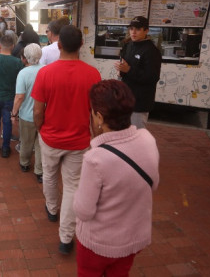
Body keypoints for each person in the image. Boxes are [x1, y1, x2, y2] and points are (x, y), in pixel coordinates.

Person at [73, 80, 160, 275]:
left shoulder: (95, 158)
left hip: (97, 243)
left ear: (100, 117)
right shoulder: (147, 139)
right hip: (131, 239)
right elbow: (152, 185)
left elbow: (84, 211)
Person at [31, 25, 101, 255]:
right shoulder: (93, 75)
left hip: (50, 138)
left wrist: (41, 130)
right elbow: (95, 115)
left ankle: (52, 210)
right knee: (72, 187)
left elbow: (38, 111)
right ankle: (66, 237)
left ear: (58, 45)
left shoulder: (45, 73)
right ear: (81, 45)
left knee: (49, 176)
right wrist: (96, 139)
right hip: (79, 141)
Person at [114, 16, 162, 129]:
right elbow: (125, 66)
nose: (133, 32)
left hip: (139, 103)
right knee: (123, 132)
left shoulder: (151, 51)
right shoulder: (128, 45)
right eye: (131, 28)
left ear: (146, 31)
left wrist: (129, 70)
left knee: (137, 134)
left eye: (138, 29)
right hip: (125, 99)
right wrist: (121, 71)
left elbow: (152, 77)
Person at [0, 34, 24, 158]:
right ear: (12, 46)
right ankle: (6, 148)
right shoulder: (17, 62)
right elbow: (20, 81)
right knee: (7, 122)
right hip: (10, 97)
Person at [12, 43, 44, 182]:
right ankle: (39, 170)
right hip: (44, 114)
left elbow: (19, 97)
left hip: (26, 115)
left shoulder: (23, 73)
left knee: (26, 141)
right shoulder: (46, 70)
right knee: (40, 144)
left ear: (25, 57)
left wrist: (14, 113)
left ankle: (25, 163)